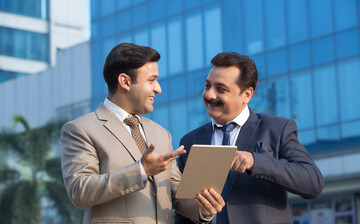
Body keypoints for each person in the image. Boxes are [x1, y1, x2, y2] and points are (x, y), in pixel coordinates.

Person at [61, 43, 224, 224]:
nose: (158, 88)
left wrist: (203, 209)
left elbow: (176, 193)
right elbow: (80, 191)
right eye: (151, 80)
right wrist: (141, 170)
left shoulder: (161, 134)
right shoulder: (81, 129)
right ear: (125, 82)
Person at [175, 52, 324, 224]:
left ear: (247, 94)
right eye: (207, 86)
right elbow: (183, 212)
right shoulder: (190, 141)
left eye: (220, 89)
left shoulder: (277, 129)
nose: (209, 95)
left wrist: (256, 162)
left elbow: (313, 182)